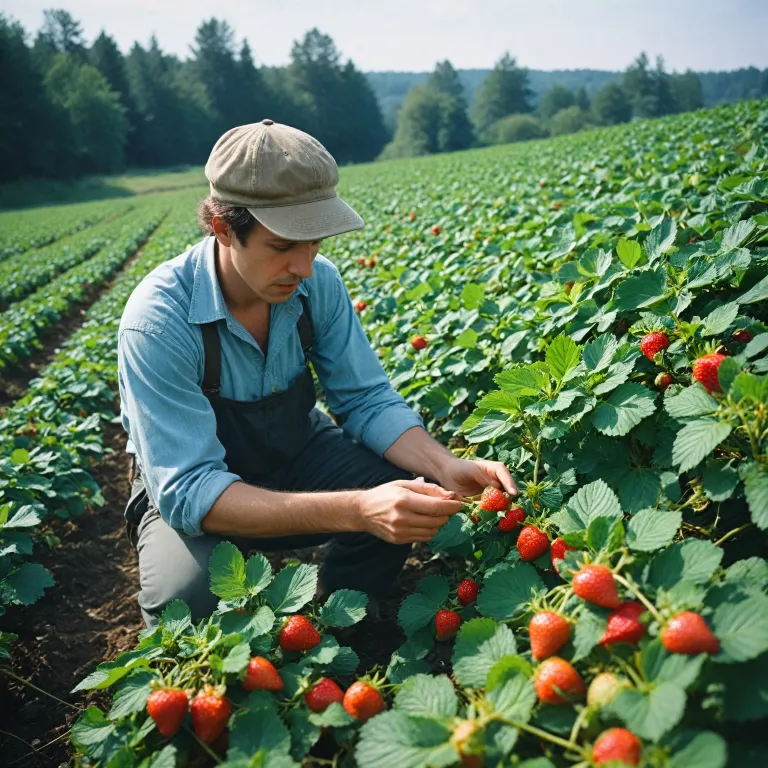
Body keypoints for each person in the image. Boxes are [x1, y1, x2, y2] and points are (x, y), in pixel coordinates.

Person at [118, 119, 517, 627]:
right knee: (188, 595)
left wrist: (442, 464)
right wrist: (356, 509)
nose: (303, 267)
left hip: (293, 452)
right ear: (222, 228)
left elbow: (365, 399)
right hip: (195, 496)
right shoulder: (158, 322)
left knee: (405, 488)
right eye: (283, 246)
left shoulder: (316, 285)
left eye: (315, 243)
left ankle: (336, 623)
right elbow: (191, 489)